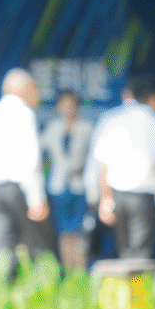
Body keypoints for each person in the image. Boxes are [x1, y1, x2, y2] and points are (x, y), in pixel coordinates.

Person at [0, 69, 51, 268]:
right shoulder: (24, 114)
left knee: (4, 243)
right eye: (35, 89)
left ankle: (3, 283)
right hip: (18, 189)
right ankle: (39, 284)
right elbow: (30, 160)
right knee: (36, 243)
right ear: (26, 89)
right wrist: (36, 200)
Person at [89, 75, 155, 261]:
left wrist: (105, 199)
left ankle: (124, 281)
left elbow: (103, 165)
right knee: (140, 253)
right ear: (153, 98)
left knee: (123, 249)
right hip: (144, 197)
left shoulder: (112, 120)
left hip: (117, 194)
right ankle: (136, 282)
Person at [40, 88, 94, 266]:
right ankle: (68, 271)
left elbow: (94, 158)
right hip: (58, 186)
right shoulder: (53, 127)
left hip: (79, 186)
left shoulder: (87, 127)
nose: (68, 108)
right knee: (63, 232)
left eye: (71, 104)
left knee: (78, 232)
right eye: (64, 104)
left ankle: (80, 271)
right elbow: (39, 148)